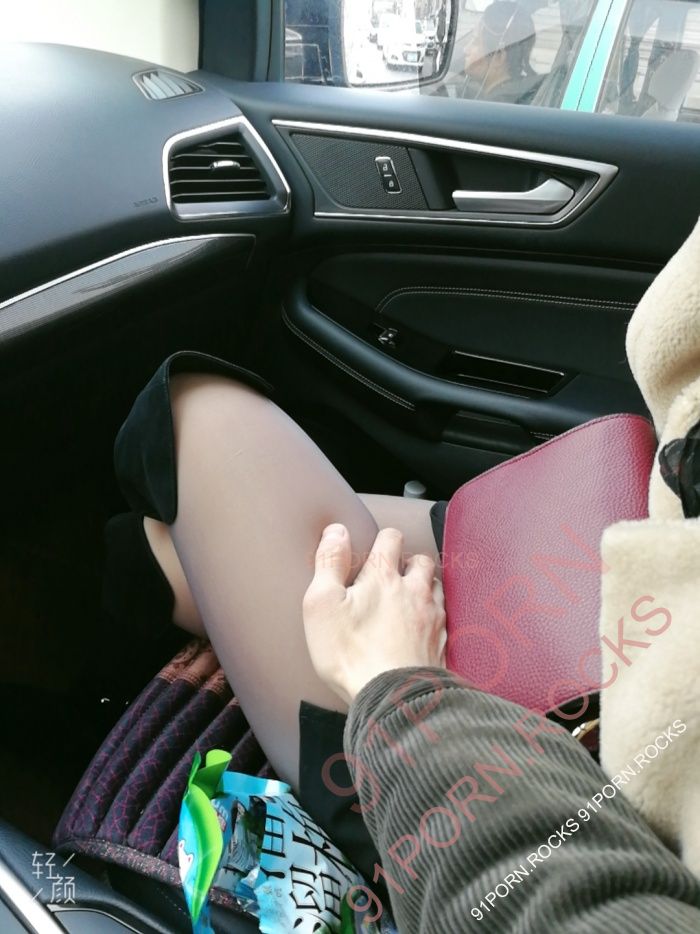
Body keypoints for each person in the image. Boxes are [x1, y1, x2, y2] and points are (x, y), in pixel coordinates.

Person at [104, 350, 700, 930]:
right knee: (213, 507)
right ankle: (132, 582)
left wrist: (396, 682)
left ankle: (114, 598)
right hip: (625, 581)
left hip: (474, 806)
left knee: (194, 413)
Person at [461, 1, 541, 104]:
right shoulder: (527, 94)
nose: (466, 49)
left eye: (476, 42)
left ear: (498, 57)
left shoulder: (491, 108)